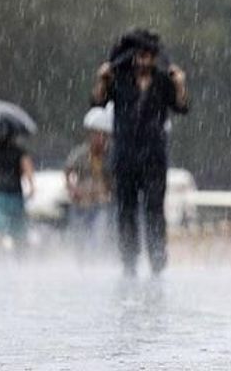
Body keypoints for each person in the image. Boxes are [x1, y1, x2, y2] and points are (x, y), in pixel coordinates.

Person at [92, 28, 189, 277]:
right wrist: (102, 80)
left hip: (154, 156)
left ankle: (157, 259)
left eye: (149, 55)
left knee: (155, 209)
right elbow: (97, 102)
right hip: (125, 155)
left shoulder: (163, 81)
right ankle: (129, 261)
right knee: (126, 210)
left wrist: (180, 84)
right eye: (141, 55)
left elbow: (182, 107)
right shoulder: (118, 79)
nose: (145, 60)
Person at [64, 108, 114, 259]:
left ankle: (96, 261)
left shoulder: (110, 156)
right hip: (81, 203)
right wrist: (72, 188)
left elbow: (114, 179)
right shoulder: (80, 153)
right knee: (79, 239)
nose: (100, 139)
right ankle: (82, 263)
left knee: (99, 237)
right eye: (96, 134)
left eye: (103, 135)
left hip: (100, 203)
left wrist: (109, 190)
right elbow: (67, 171)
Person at [0, 135, 35, 255]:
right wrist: (31, 186)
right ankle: (20, 257)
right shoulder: (19, 151)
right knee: (18, 230)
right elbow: (27, 167)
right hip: (16, 193)